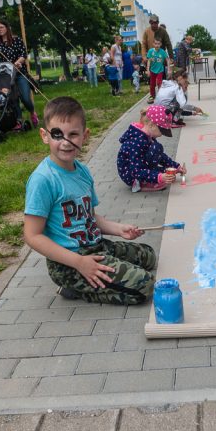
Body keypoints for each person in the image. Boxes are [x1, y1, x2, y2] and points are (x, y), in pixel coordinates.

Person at [23, 96, 157, 305]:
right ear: (45, 136)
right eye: (57, 134)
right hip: (68, 263)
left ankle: (109, 270)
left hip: (95, 246)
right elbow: (32, 236)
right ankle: (73, 289)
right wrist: (79, 263)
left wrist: (119, 229)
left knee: (149, 256)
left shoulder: (82, 171)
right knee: (145, 285)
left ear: (84, 136)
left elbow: (90, 216)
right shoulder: (43, 180)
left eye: (73, 134)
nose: (65, 142)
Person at [116, 105, 185, 193]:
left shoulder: (147, 136)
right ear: (152, 125)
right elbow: (136, 170)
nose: (162, 134)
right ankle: (141, 184)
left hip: (142, 166)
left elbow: (160, 156)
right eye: (162, 130)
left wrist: (176, 167)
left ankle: (151, 177)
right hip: (131, 175)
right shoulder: (136, 142)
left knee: (166, 171)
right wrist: (159, 177)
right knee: (161, 174)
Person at [0, 19, 38, 128]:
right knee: (12, 100)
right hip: (6, 76)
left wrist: (18, 62)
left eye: (1, 27)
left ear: (7, 28)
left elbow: (23, 55)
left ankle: (32, 112)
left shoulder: (17, 40)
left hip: (20, 73)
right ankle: (19, 121)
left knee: (25, 98)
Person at [146, 39, 170, 104]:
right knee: (152, 84)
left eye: (158, 44)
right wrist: (147, 70)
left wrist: (169, 69)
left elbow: (167, 59)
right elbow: (149, 61)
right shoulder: (151, 51)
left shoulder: (162, 52)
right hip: (152, 70)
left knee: (159, 83)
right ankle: (152, 96)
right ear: (153, 44)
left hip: (160, 70)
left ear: (161, 44)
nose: (157, 45)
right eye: (156, 44)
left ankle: (160, 95)